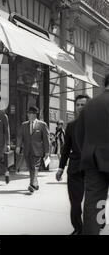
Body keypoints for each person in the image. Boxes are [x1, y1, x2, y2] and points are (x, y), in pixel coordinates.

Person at [76, 75, 109, 235]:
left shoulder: (89, 106)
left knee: (95, 204)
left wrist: (89, 152)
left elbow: (79, 135)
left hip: (93, 162)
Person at [56, 95, 90, 235]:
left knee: (92, 203)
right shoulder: (71, 126)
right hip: (75, 169)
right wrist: (60, 168)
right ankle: (78, 228)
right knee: (75, 204)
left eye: (83, 104)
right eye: (78, 105)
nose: (80, 107)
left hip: (92, 170)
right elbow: (65, 149)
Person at [16, 106, 50, 194]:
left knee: (35, 167)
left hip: (37, 150)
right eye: (28, 113)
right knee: (31, 168)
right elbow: (20, 136)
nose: (28, 115)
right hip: (27, 150)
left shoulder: (42, 125)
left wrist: (47, 152)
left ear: (35, 114)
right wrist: (18, 146)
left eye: (30, 113)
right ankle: (36, 183)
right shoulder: (24, 125)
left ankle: (32, 185)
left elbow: (46, 139)